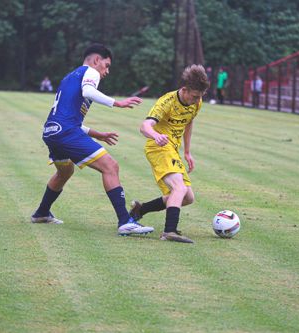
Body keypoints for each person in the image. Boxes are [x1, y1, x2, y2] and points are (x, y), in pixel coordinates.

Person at [31, 43, 154, 237]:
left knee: (65, 172)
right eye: (106, 65)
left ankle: (41, 213)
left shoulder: (69, 77)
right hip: (66, 132)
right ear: (97, 60)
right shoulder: (91, 72)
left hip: (52, 131)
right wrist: (118, 103)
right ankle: (125, 221)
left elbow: (67, 118)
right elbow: (89, 92)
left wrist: (99, 135)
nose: (107, 71)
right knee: (110, 166)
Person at [129, 64, 209, 243]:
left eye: (200, 97)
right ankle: (169, 231)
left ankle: (140, 210)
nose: (197, 101)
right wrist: (156, 136)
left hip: (172, 150)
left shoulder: (197, 102)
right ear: (184, 89)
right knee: (178, 188)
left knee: (188, 197)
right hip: (157, 147)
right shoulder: (166, 101)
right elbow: (144, 126)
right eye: (195, 96)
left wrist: (187, 151)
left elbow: (189, 122)